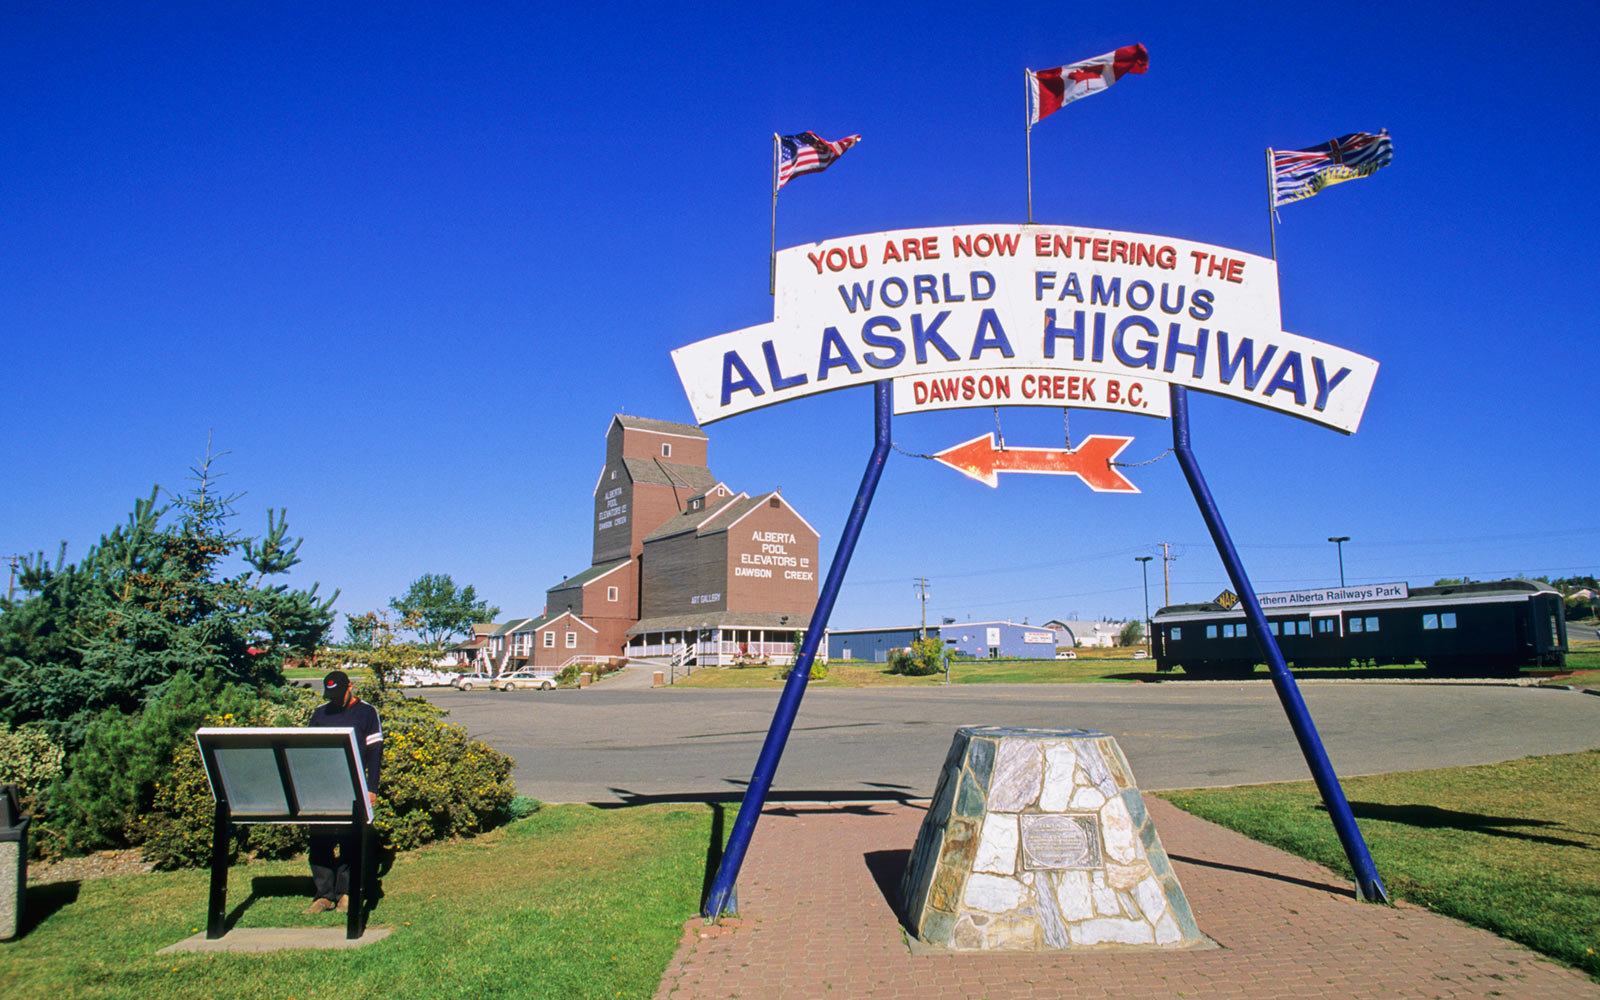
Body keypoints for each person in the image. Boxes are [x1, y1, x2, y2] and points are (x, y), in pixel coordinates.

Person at [303, 669, 383, 914]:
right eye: (331, 695)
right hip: (324, 788)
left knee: (351, 840)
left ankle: (347, 893)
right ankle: (324, 895)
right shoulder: (320, 714)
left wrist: (371, 789)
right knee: (319, 840)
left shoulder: (367, 713)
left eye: (339, 693)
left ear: (350, 687)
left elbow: (375, 754)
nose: (335, 700)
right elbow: (309, 752)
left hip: (354, 786)